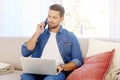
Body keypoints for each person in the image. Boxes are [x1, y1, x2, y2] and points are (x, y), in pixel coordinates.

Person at [21, 4, 83, 80]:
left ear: (61, 19)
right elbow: (25, 52)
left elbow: (78, 60)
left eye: (54, 17)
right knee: (25, 77)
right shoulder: (40, 34)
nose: (50, 20)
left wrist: (62, 67)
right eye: (49, 16)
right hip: (36, 71)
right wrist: (37, 33)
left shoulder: (70, 36)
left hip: (56, 72)